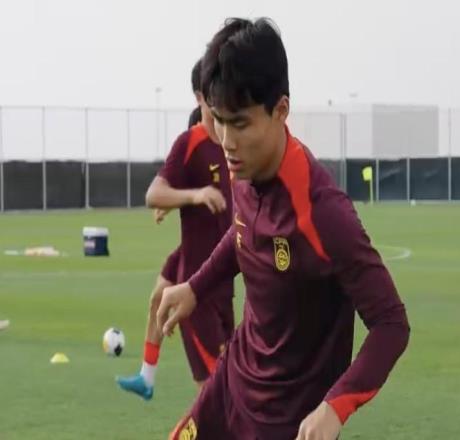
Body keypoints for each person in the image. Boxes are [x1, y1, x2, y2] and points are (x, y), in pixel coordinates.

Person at [158, 18, 410, 439]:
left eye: (240, 123)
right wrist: (195, 288)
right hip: (230, 385)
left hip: (284, 423)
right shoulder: (244, 169)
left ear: (281, 110)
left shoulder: (323, 213)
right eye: (218, 120)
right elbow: (244, 232)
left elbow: (391, 325)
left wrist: (336, 407)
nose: (227, 141)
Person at [116, 59, 234, 400]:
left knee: (226, 394)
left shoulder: (235, 143)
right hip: (195, 285)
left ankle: (147, 378)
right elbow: (154, 193)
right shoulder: (190, 142)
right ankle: (148, 375)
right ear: (200, 96)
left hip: (222, 279)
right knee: (216, 398)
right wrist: (190, 196)